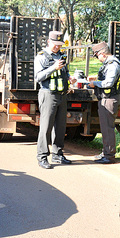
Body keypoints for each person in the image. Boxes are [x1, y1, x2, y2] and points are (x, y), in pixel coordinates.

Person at [34, 31, 76, 169]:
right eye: (55, 44)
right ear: (48, 42)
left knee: (60, 127)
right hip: (48, 94)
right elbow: (38, 77)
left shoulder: (62, 56)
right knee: (46, 127)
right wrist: (53, 67)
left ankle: (57, 153)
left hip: (62, 95)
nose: (57, 47)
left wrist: (70, 78)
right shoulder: (41, 57)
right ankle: (42, 156)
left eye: (59, 44)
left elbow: (65, 72)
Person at [88, 41, 120, 164]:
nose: (97, 58)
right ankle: (106, 152)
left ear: (102, 53)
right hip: (106, 98)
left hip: (110, 99)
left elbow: (108, 83)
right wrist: (95, 80)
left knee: (107, 128)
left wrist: (95, 83)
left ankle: (109, 156)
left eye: (97, 56)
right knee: (105, 127)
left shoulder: (113, 64)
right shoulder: (109, 63)